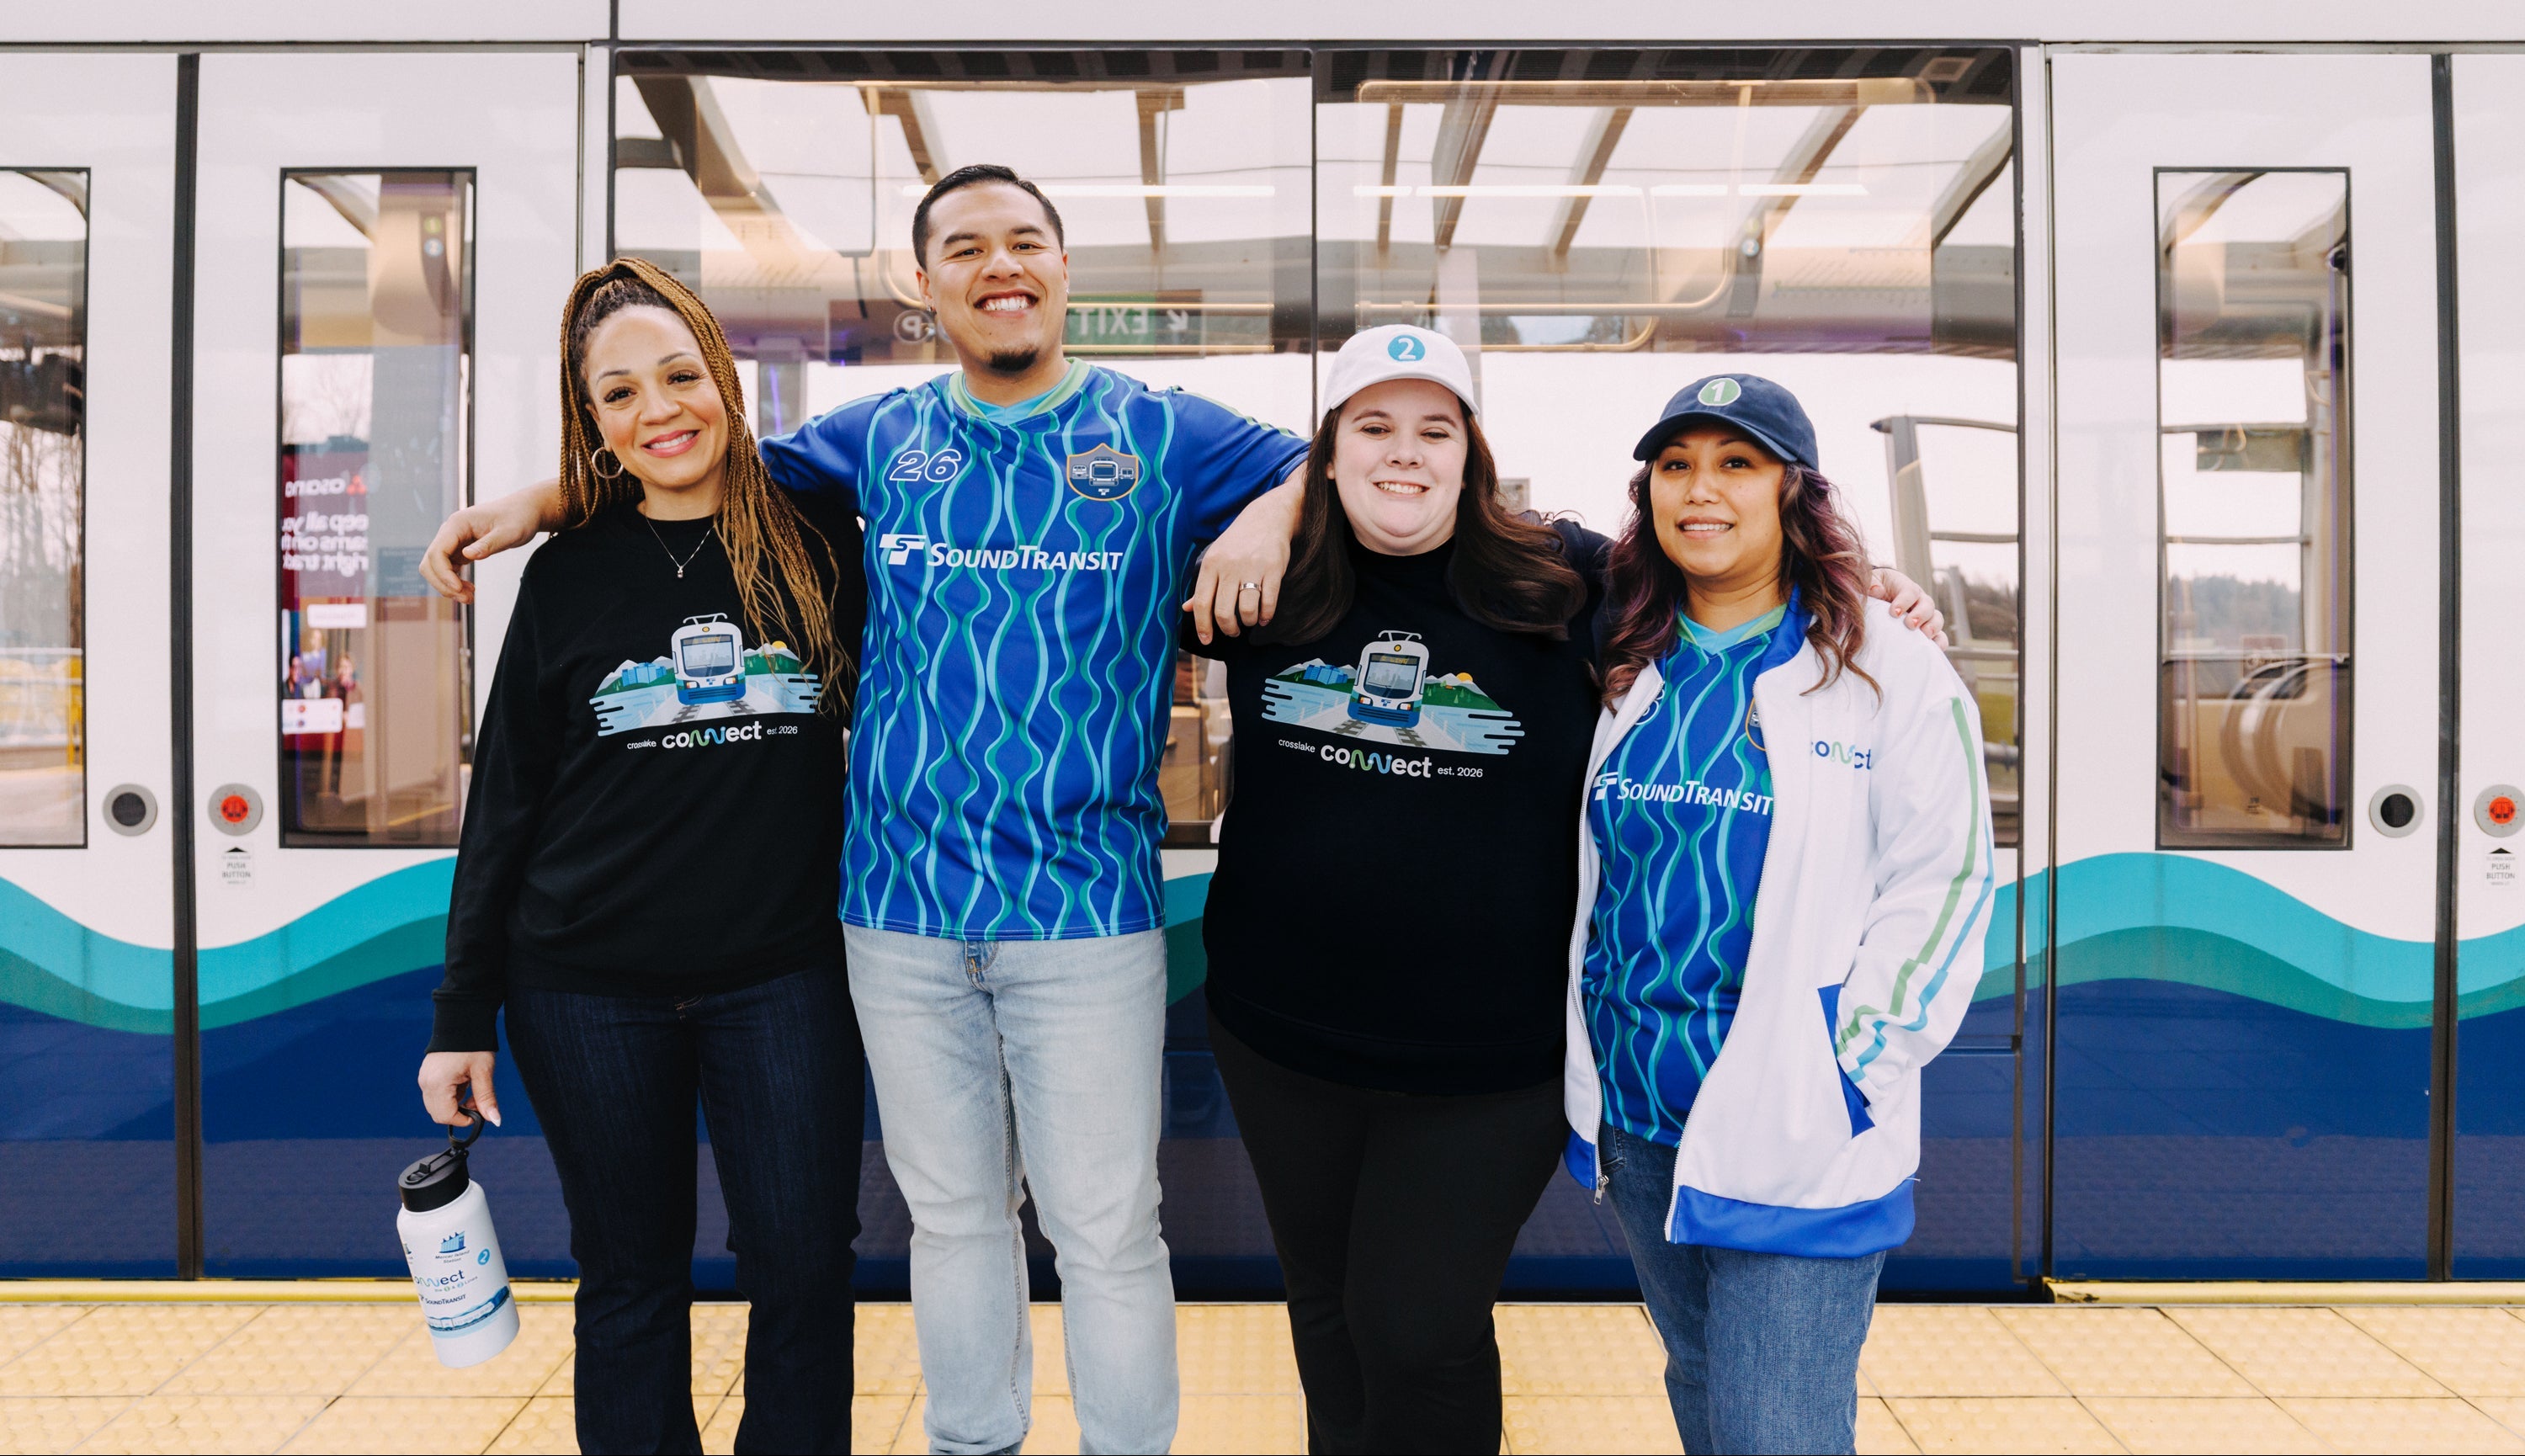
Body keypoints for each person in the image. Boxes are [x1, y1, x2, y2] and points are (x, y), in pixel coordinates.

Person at [417, 165, 1310, 1455]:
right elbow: (674, 469)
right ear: (922, 282)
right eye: (967, 247)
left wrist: (1270, 519)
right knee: (913, 1228)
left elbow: (1330, 461)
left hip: (1034, 921)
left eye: (1025, 241)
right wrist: (538, 501)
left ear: (1065, 265)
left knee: (1085, 1234)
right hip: (853, 928)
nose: (1000, 266)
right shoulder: (864, 449)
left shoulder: (1139, 441)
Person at [416, 258, 867, 1455]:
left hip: (784, 976)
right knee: (628, 1275)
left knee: (805, 1264)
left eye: (680, 376)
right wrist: (461, 1014)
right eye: (619, 394)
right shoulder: (567, 572)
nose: (658, 410)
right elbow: (506, 802)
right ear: (594, 421)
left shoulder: (818, 544)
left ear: (723, 377)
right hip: (583, 987)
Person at [1566, 374, 1996, 1454]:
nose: (1700, 489)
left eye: (1736, 463)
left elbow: (1944, 882)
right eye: (1676, 465)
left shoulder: (1888, 665)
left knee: (1776, 1428)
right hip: (1642, 1111)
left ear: (1792, 490)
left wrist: (1849, 1064)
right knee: (1705, 1386)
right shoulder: (1628, 659)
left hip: (1798, 1117)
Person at [1188, 326, 1600, 1453]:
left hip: (1489, 1060)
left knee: (1418, 1328)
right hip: (1281, 1039)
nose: (1404, 453)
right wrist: (1274, 508)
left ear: (1472, 455)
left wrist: (1866, 583)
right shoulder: (1264, 579)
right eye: (1372, 427)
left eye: (1434, 430)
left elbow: (1736, 578)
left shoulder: (1566, 579)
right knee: (1326, 1310)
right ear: (1327, 454)